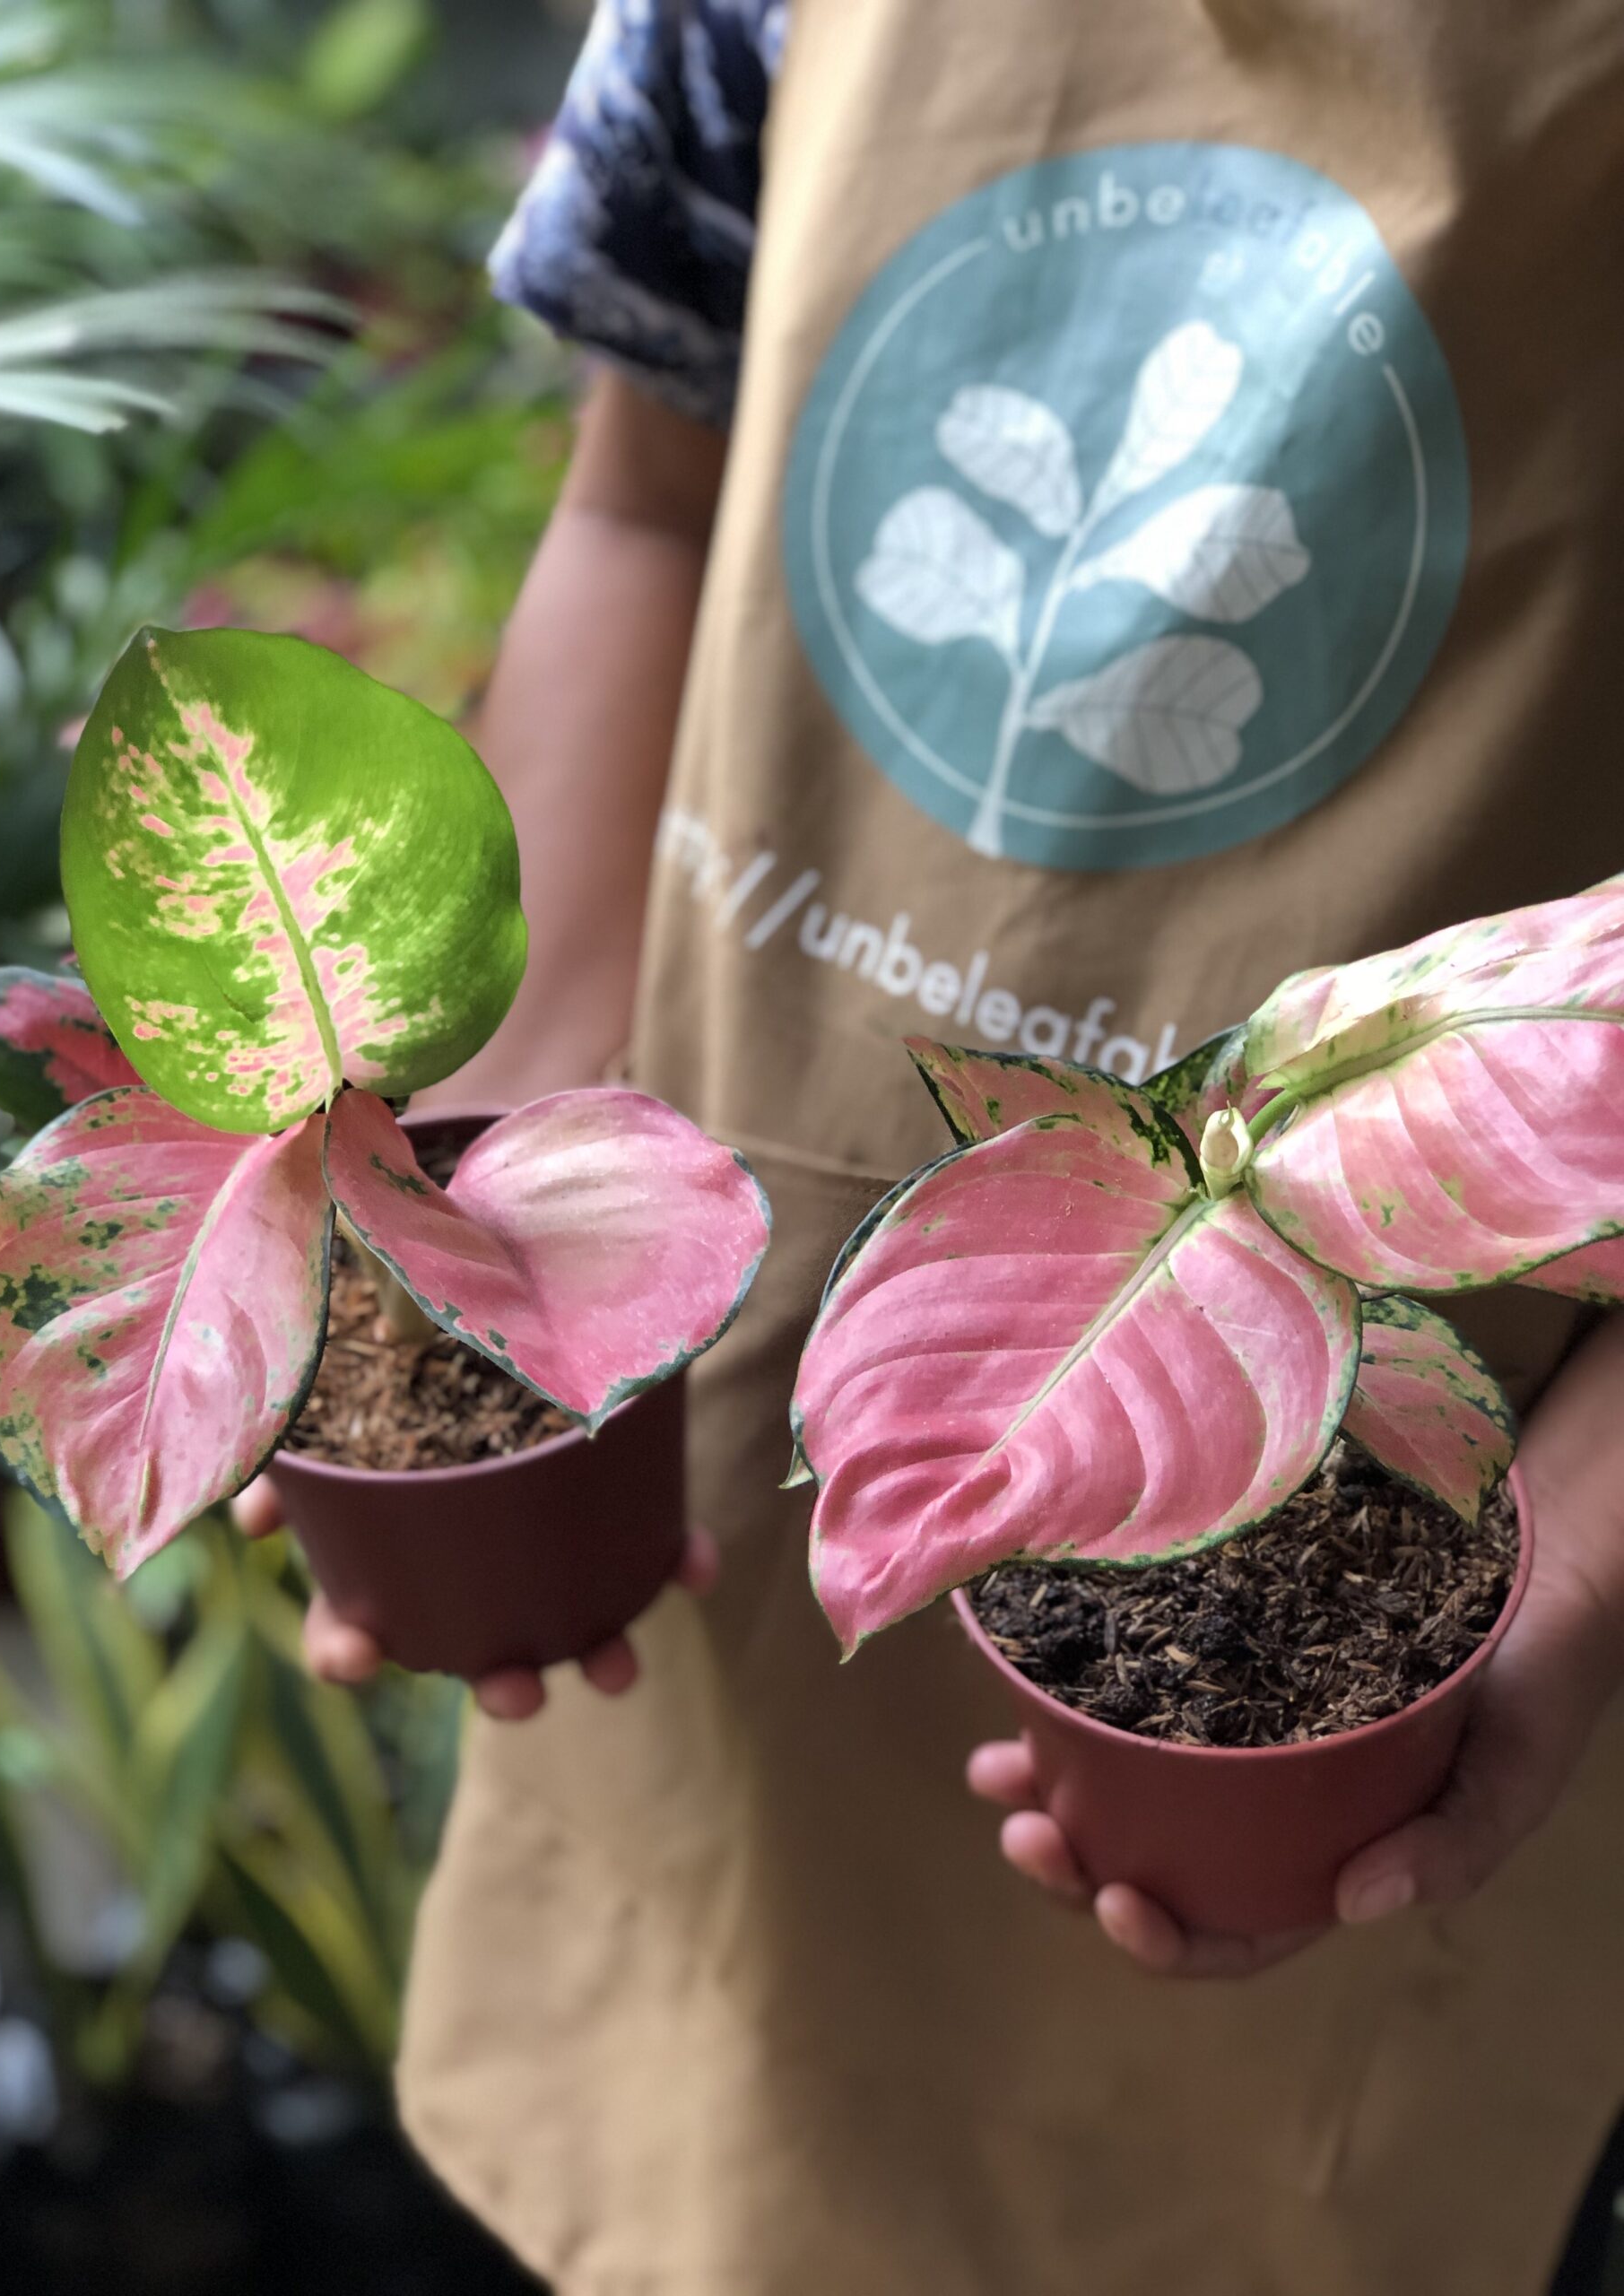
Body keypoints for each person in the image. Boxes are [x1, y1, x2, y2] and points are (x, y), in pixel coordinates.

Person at [239, 3, 1624, 2288]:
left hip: (1387, 1583)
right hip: (721, 1469)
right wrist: (480, 1266)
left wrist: (1561, 1578)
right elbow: (644, 488)